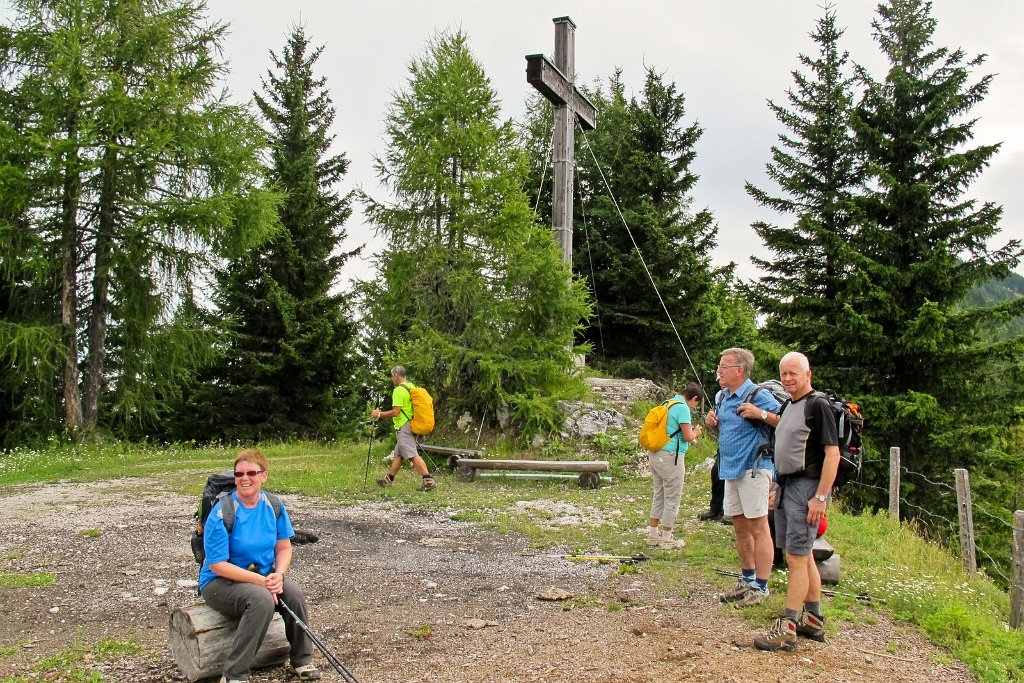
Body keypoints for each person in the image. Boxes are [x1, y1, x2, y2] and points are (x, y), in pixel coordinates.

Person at [199, 449, 321, 682]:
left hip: (263, 575)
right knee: (260, 599)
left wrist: (279, 574)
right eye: (239, 474)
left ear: (263, 476)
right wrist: (263, 582)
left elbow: (283, 547)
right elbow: (217, 566)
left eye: (251, 473)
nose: (245, 478)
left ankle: (301, 661)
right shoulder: (222, 512)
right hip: (219, 582)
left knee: (294, 593)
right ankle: (235, 674)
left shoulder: (273, 505)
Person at [754, 351, 839, 651]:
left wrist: (820, 497)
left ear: (808, 375)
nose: (788, 378)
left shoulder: (818, 405)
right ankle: (813, 620)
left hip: (807, 489)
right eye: (784, 373)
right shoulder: (790, 404)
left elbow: (833, 454)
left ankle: (787, 627)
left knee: (796, 558)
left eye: (794, 373)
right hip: (789, 486)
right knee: (801, 555)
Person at [704, 347, 781, 607]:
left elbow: (785, 421)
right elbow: (726, 434)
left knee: (759, 527)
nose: (719, 370)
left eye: (723, 366)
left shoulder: (759, 395)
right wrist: (713, 425)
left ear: (739, 370)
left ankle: (762, 586)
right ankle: (747, 579)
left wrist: (760, 414)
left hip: (755, 468)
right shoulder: (721, 396)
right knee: (739, 526)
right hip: (730, 469)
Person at [644, 383, 703, 550]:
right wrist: (696, 432)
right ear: (694, 399)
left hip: (655, 453)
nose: (694, 407)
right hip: (671, 457)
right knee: (672, 496)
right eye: (696, 404)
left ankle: (653, 534)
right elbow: (687, 436)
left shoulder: (667, 403)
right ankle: (667, 538)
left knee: (659, 494)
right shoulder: (683, 408)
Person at [371, 365, 436, 491]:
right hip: (413, 423)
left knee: (411, 454)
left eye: (392, 376)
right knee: (399, 455)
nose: (392, 379)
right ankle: (388, 480)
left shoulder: (399, 390)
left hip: (404, 426)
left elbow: (396, 412)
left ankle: (428, 480)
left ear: (396, 375)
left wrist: (378, 414)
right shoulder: (411, 387)